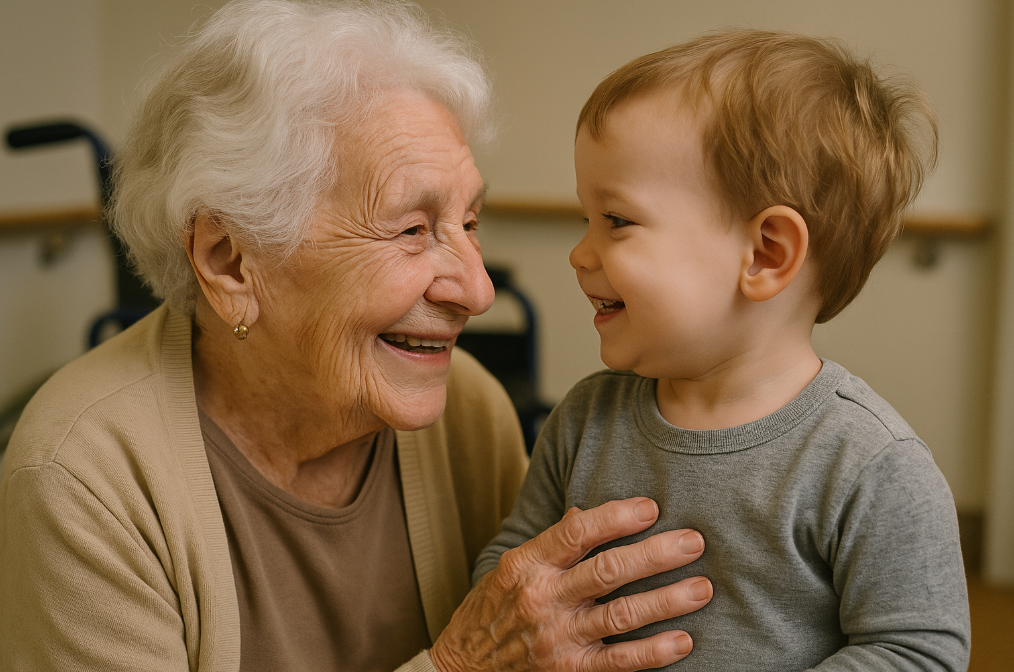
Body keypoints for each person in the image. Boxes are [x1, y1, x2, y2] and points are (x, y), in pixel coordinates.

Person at [0, 2, 716, 671]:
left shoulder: (469, 414)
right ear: (230, 261)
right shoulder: (84, 480)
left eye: (469, 223)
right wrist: (460, 664)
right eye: (411, 229)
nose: (477, 290)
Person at [474, 29, 971, 670]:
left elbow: (919, 652)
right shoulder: (583, 420)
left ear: (765, 254)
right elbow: (512, 575)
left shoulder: (872, 465)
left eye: (617, 221)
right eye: (585, 220)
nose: (580, 253)